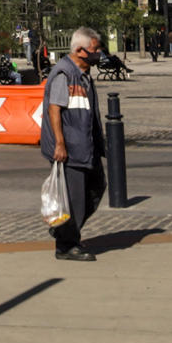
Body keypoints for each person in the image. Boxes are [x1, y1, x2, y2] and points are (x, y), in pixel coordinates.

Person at [39, 26, 106, 262]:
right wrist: (60, 144)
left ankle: (64, 230)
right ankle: (66, 245)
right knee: (74, 199)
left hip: (85, 146)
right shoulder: (64, 74)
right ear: (79, 50)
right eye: (94, 49)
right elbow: (54, 109)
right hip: (69, 148)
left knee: (97, 187)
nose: (98, 53)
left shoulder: (84, 74)